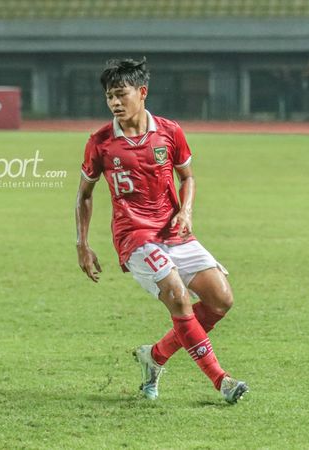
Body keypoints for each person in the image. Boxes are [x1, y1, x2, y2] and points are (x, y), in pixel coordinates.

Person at [74, 58, 248, 405]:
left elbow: (188, 177)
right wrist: (83, 243)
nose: (115, 103)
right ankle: (221, 380)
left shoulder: (169, 131)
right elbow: (84, 194)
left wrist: (186, 210)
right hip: (134, 237)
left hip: (174, 231)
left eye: (121, 95)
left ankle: (154, 356)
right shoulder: (101, 142)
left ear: (143, 92)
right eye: (110, 97)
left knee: (221, 300)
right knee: (179, 296)